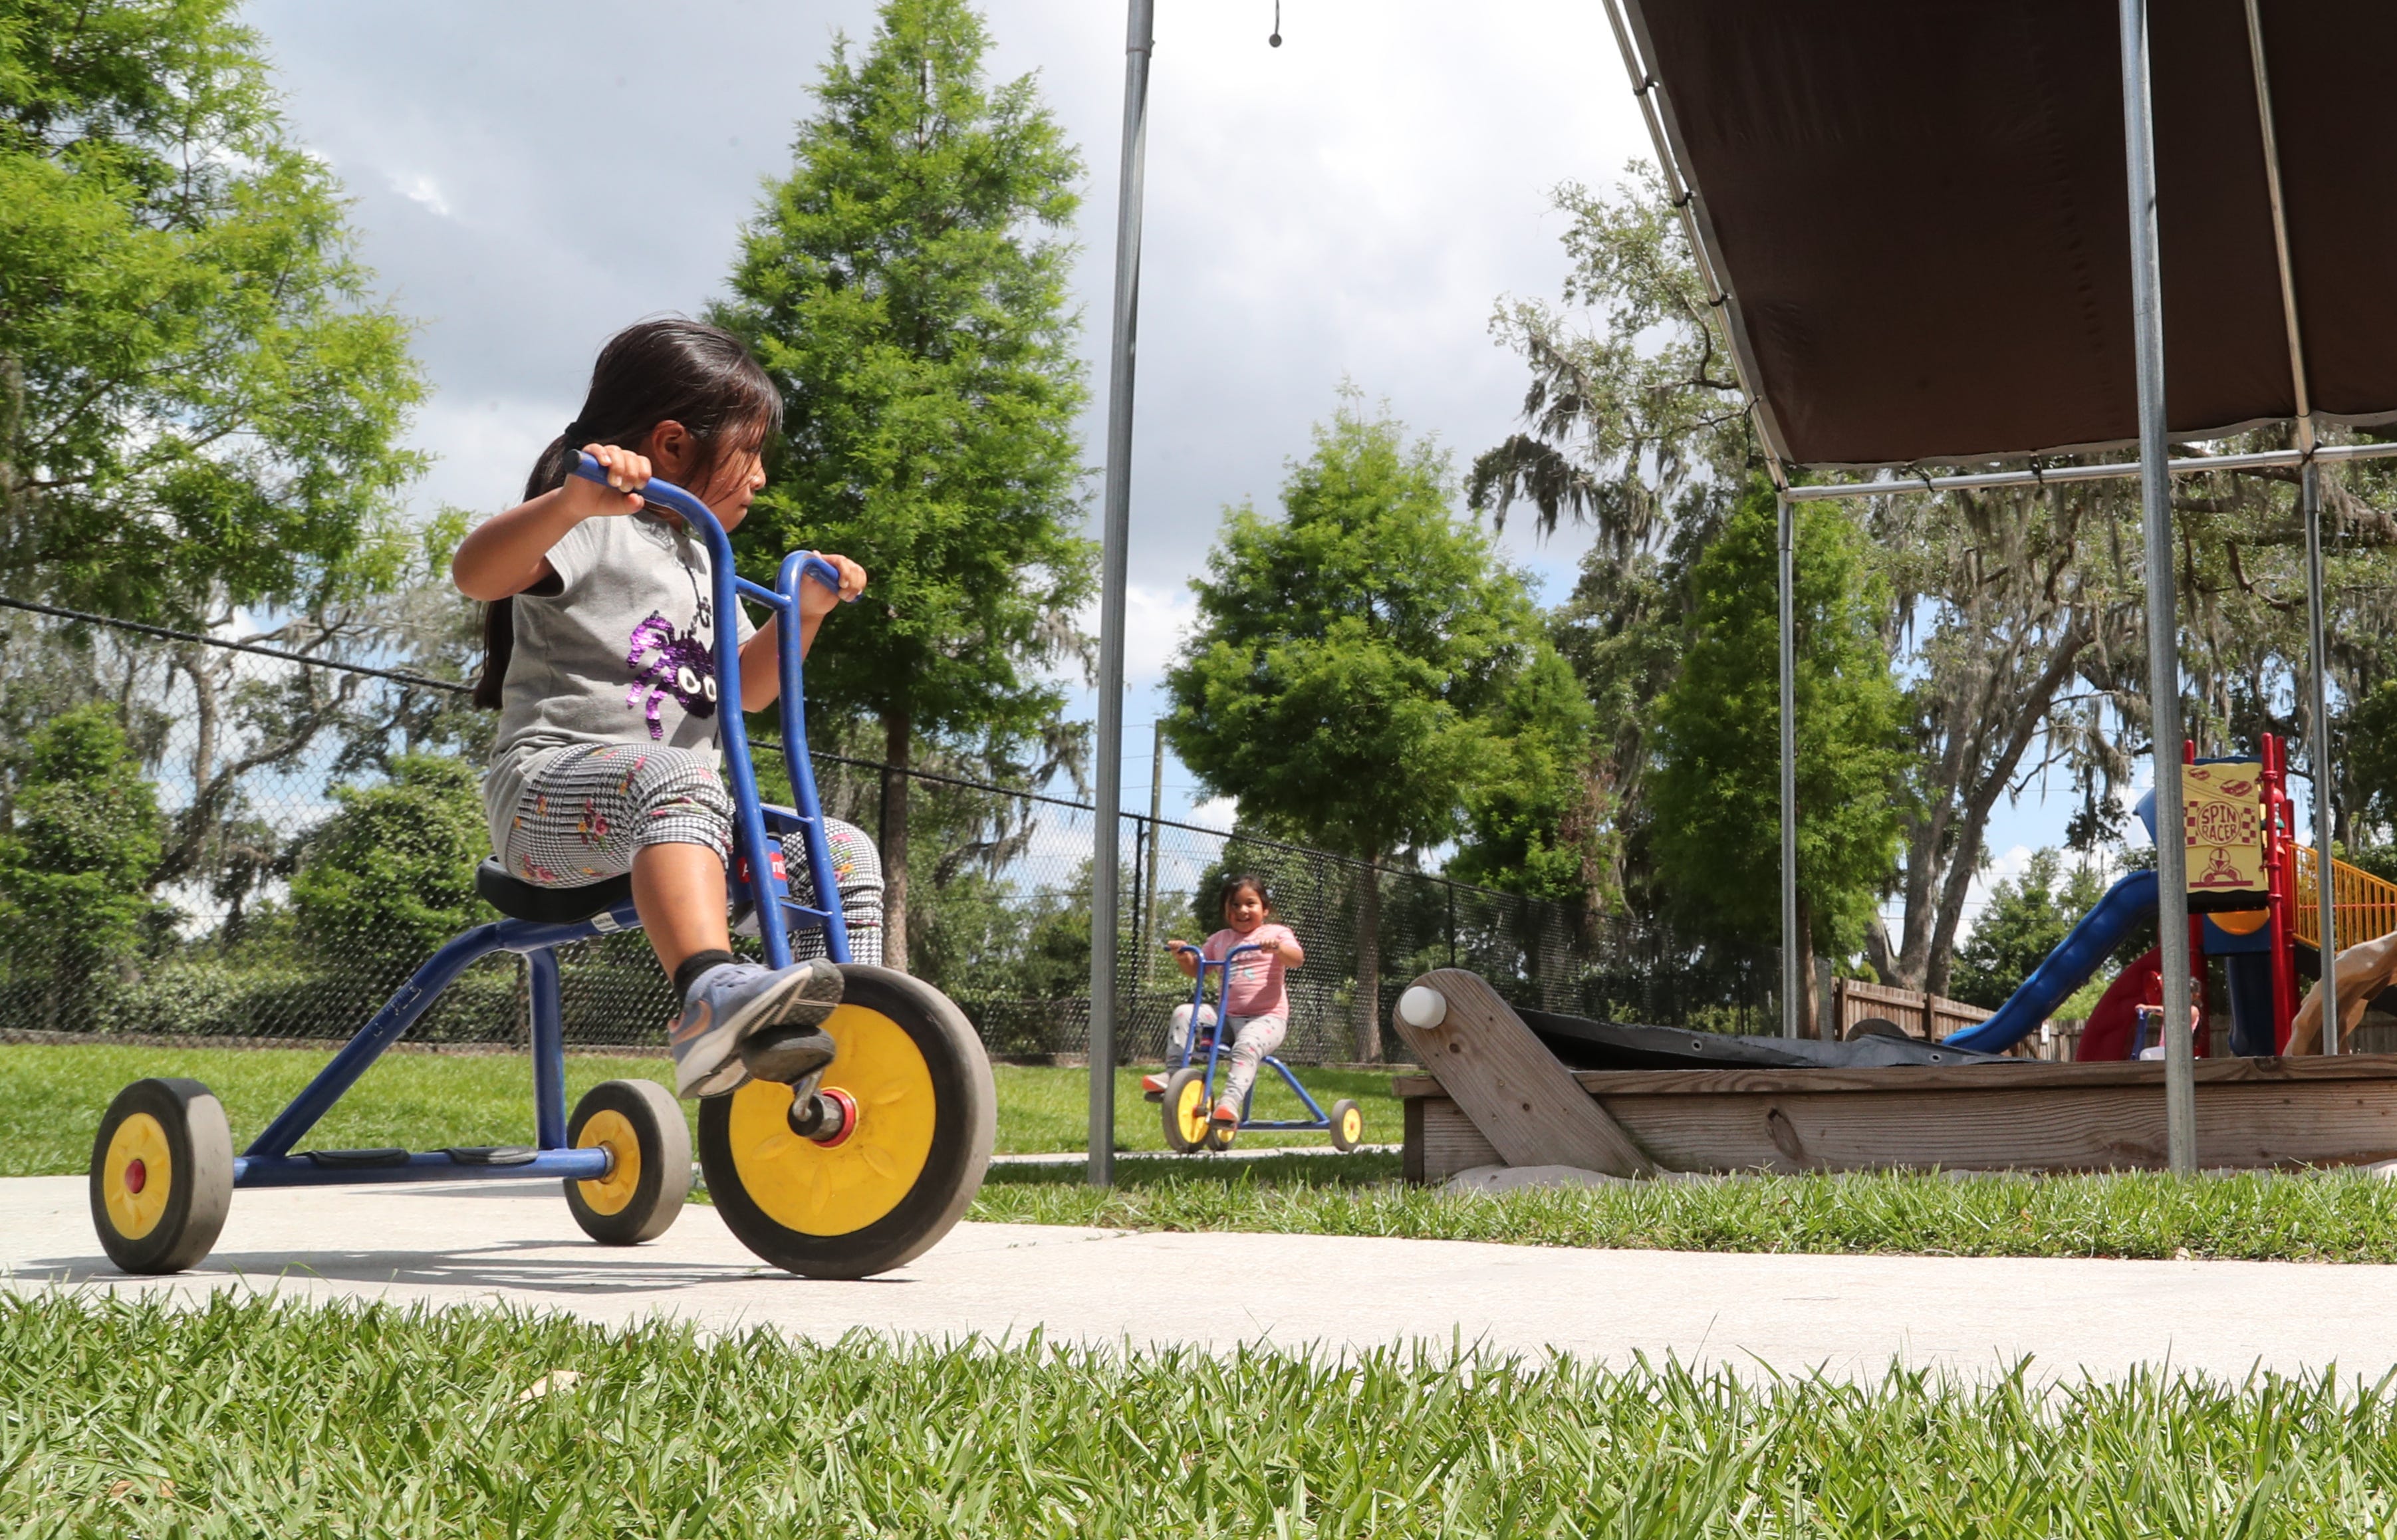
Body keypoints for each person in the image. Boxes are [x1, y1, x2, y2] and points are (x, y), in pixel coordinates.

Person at [450, 318, 880, 1099]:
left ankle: (865, 1035)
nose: (760, 479)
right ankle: (709, 992)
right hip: (548, 804)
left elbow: (747, 688)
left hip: (685, 819)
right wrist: (570, 504)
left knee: (841, 849)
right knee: (679, 777)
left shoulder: (699, 557)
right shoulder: (594, 526)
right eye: (750, 453)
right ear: (676, 445)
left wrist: (804, 614)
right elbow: (478, 573)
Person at [1145, 874, 1305, 1126]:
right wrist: (1182, 955)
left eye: (1250, 904)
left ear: (1265, 909)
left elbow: (1296, 959)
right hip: (1225, 1018)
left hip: (1267, 1018)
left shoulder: (1276, 932)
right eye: (1234, 905)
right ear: (1225, 910)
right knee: (1184, 1012)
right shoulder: (1220, 939)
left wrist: (1277, 948)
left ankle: (1229, 1102)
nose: (1242, 910)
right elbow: (1198, 969)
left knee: (1247, 1045)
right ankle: (1174, 1074)